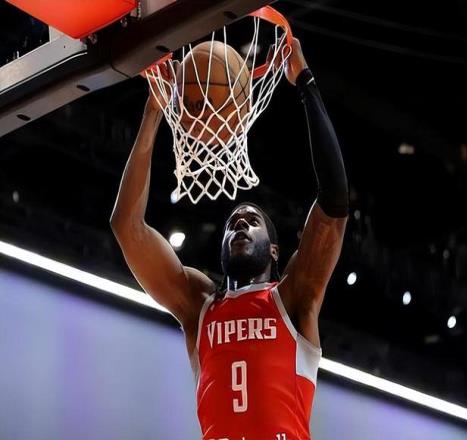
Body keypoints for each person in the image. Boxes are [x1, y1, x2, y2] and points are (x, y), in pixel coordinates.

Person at [110, 37, 348, 440]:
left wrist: (306, 84)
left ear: (274, 249)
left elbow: (335, 203)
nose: (239, 225)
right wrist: (153, 112)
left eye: (252, 221)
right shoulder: (198, 304)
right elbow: (126, 226)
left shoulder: (293, 297)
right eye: (232, 223)